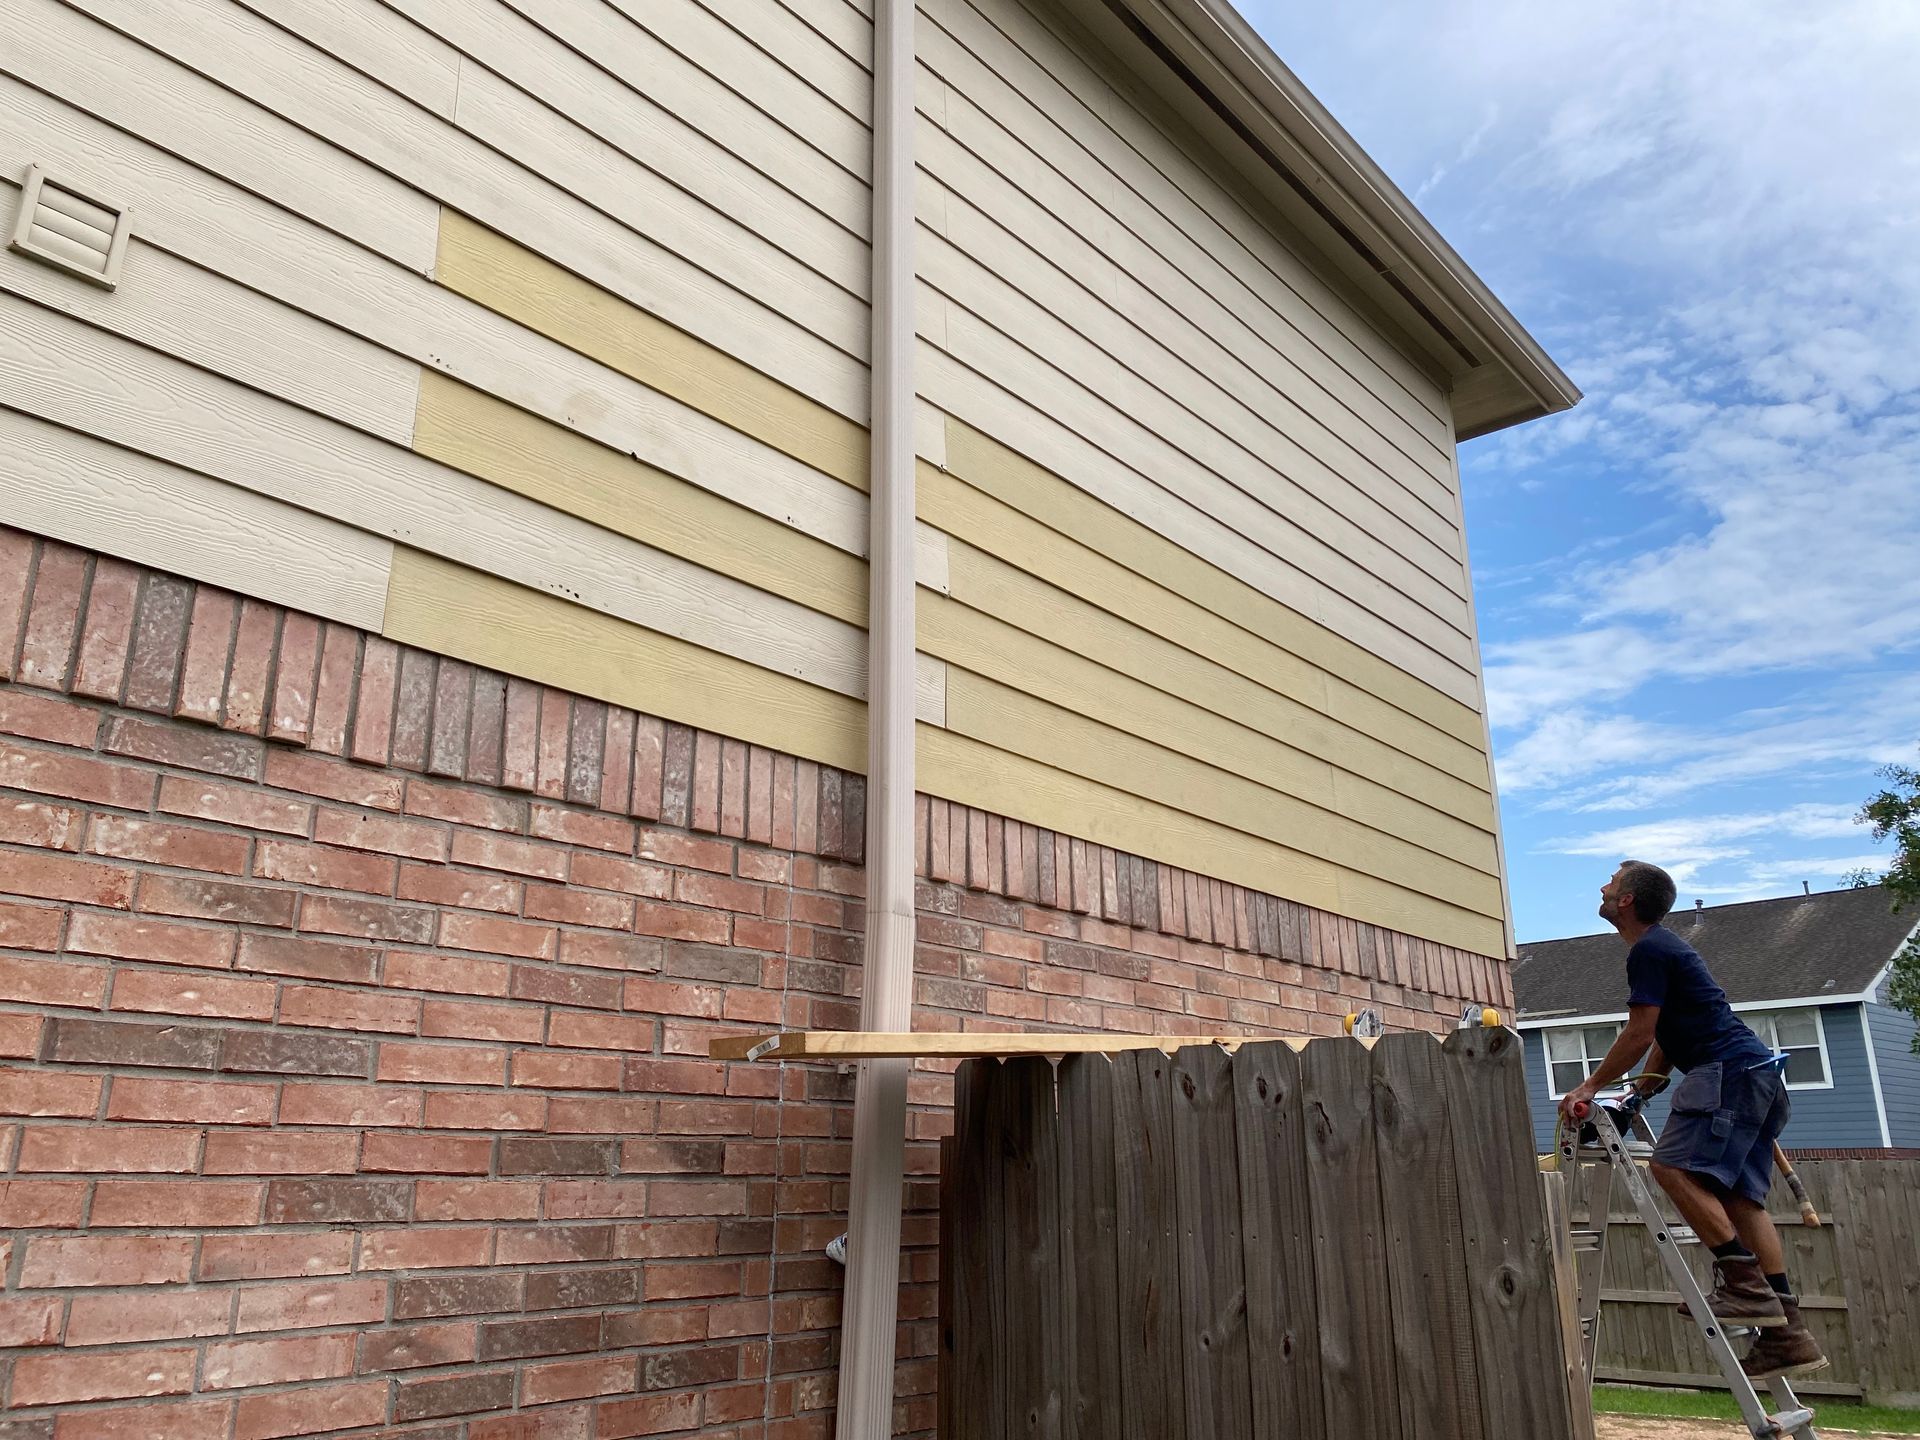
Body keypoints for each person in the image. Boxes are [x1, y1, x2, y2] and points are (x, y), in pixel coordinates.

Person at [1556, 861, 1826, 1378]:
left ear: (1628, 900)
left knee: (1670, 1169)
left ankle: (1744, 1287)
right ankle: (1788, 1332)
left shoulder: (1650, 950)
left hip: (1726, 1074)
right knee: (1742, 1201)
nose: (1603, 888)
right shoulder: (1665, 951)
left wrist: (1589, 1086)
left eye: (1612, 883)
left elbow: (1638, 1034)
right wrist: (1638, 1095)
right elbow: (1662, 1041)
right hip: (1757, 1076)